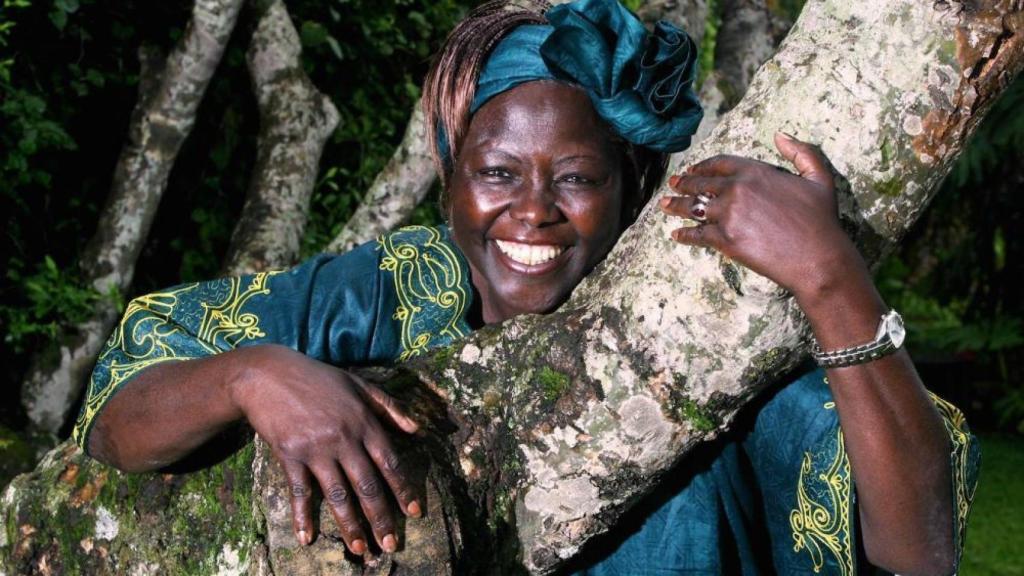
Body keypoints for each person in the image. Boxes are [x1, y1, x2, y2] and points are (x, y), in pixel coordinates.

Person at [73, 0, 979, 574]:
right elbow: (117, 416)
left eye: (577, 177)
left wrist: (829, 278)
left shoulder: (695, 332)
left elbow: (918, 551)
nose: (534, 212)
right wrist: (252, 374)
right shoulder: (393, 290)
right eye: (498, 173)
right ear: (451, 178)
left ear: (629, 185)